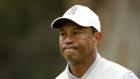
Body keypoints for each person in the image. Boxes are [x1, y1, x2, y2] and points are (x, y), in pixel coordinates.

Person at [51, 5, 138, 79]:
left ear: (96, 38)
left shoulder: (122, 77)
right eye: (63, 34)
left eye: (76, 33)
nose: (67, 40)